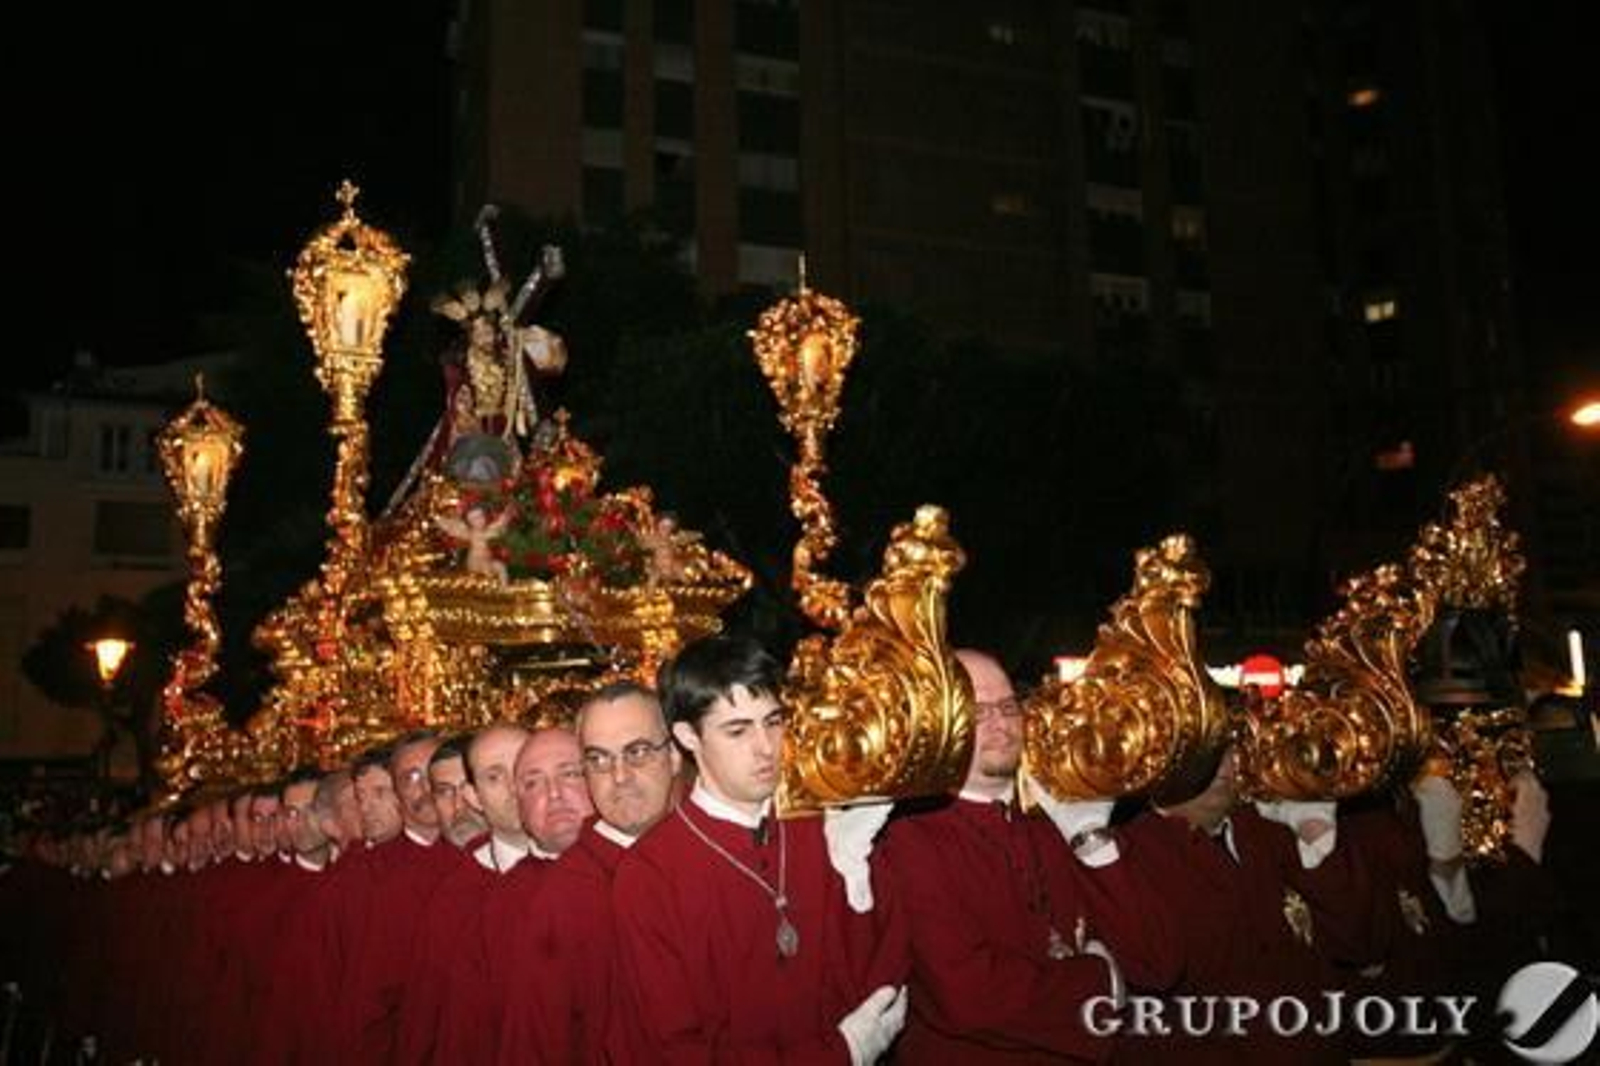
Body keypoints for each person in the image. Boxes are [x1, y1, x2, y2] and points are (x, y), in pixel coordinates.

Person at [610, 635, 910, 1063]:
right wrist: (838, 1054)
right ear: (687, 737)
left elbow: (884, 970)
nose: (766, 747)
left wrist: (857, 891)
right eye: (737, 730)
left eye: (773, 721)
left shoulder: (823, 825)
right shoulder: (648, 874)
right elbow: (678, 1049)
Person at [878, 649, 1183, 1062]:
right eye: (978, 712)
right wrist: (1100, 980)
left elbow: (1157, 962)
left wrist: (1091, 840)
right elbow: (969, 996)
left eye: (1007, 706)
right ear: (940, 720)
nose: (1001, 725)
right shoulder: (904, 836)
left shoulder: (1057, 818)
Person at [498, 682, 682, 1063]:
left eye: (638, 752)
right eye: (599, 760)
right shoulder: (562, 898)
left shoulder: (710, 855)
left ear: (676, 756)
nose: (619, 776)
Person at [428, 733, 489, 848]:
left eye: (470, 788)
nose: (458, 806)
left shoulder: (529, 862)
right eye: (444, 792)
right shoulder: (421, 865)